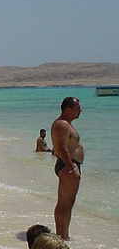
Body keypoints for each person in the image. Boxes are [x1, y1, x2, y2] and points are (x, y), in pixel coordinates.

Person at [51, 97, 84, 240]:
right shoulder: (62, 124)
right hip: (68, 165)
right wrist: (72, 168)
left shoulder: (65, 124)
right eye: (77, 109)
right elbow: (62, 148)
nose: (80, 111)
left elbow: (58, 147)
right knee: (66, 203)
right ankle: (63, 235)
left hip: (67, 165)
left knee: (64, 202)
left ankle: (61, 234)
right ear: (68, 110)